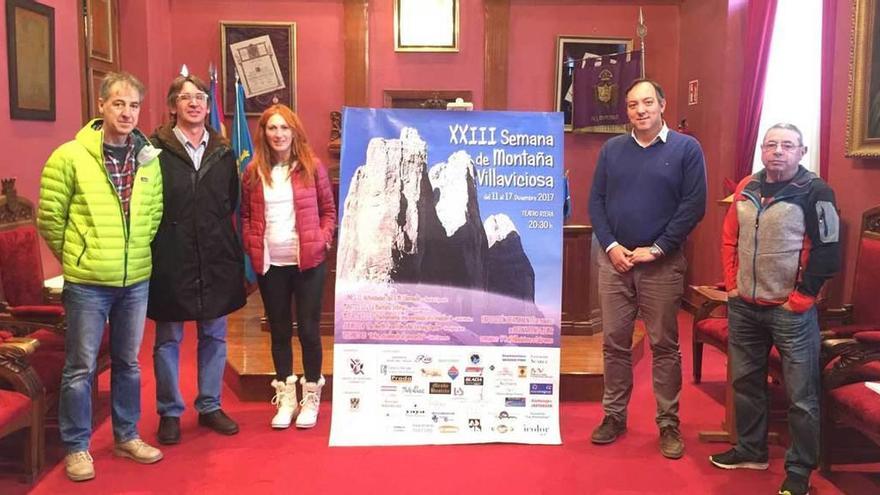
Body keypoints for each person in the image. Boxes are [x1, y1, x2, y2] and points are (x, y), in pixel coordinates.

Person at [37, 71, 165, 481]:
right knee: (81, 367)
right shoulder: (69, 156)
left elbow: (154, 214)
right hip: (88, 283)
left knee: (128, 363)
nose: (127, 113)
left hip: (135, 281)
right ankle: (77, 447)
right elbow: (50, 218)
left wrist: (134, 250)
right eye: (119, 104)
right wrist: (79, 255)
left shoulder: (148, 156)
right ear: (101, 105)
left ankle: (126, 435)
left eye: (134, 106)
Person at [710, 123, 840, 495]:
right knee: (745, 383)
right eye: (771, 145)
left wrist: (800, 298)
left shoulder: (817, 191)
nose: (778, 151)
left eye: (787, 145)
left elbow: (829, 251)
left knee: (802, 396)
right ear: (762, 151)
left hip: (791, 313)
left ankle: (799, 471)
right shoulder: (747, 187)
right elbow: (729, 238)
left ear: (802, 151)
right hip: (745, 308)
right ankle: (751, 450)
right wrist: (733, 285)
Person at [588, 78, 707, 459]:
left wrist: (657, 249)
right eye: (632, 105)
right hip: (615, 262)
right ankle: (614, 416)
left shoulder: (687, 149)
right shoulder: (612, 149)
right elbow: (596, 202)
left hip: (662, 265)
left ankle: (668, 423)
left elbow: (693, 205)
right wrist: (611, 246)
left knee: (664, 346)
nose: (640, 110)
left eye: (647, 103)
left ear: (662, 104)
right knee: (614, 345)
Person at [148, 74, 246, 445]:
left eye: (200, 97)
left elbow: (229, 201)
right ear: (172, 105)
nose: (194, 103)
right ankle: (169, 412)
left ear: (208, 106)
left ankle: (209, 405)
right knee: (169, 338)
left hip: (215, 251)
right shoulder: (153, 149)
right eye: (185, 97)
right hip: (171, 253)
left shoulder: (223, 151)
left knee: (214, 335)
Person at [240, 104, 336, 429]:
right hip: (271, 264)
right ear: (264, 133)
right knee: (279, 331)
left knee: (308, 331)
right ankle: (286, 397)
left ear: (294, 131)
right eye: (272, 128)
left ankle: (311, 397)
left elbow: (329, 211)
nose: (279, 134)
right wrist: (251, 243)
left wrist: (322, 239)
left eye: (284, 128)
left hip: (307, 262)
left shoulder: (312, 167)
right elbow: (247, 216)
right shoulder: (253, 171)